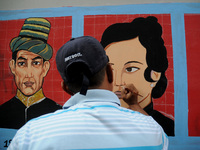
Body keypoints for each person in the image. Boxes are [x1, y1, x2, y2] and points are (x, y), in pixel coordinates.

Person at [8, 36, 168, 150]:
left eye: (130, 68)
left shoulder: (30, 135)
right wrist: (134, 104)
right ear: (110, 73)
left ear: (65, 87)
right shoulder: (152, 131)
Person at [100, 16, 174, 136]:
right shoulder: (98, 124)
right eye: (110, 69)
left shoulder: (167, 128)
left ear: (155, 74)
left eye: (130, 69)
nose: (117, 81)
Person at [0, 18, 62, 129]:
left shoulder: (58, 115)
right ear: (13, 67)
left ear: (45, 68)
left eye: (36, 63)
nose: (29, 74)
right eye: (22, 63)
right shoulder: (1, 113)